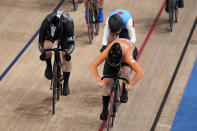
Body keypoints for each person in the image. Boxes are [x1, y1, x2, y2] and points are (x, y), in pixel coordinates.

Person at [90, 38, 144, 120]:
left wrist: (130, 84)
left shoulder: (127, 56)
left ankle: (124, 91)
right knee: (106, 82)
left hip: (129, 50)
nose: (114, 64)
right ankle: (104, 109)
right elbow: (93, 65)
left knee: (125, 71)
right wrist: (98, 79)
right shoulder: (107, 52)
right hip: (114, 56)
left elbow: (140, 72)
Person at [100, 9, 138, 104]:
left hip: (125, 29)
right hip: (114, 25)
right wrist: (105, 47)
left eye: (117, 32)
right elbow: (105, 37)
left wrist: (124, 48)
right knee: (110, 42)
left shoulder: (128, 22)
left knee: (126, 70)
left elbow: (133, 39)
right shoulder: (109, 23)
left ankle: (124, 91)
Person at [38, 10, 75, 96]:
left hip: (64, 35)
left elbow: (72, 44)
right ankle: (49, 66)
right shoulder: (46, 22)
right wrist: (43, 52)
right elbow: (40, 43)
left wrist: (68, 53)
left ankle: (66, 83)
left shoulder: (68, 24)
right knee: (47, 47)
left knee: (65, 56)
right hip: (50, 35)